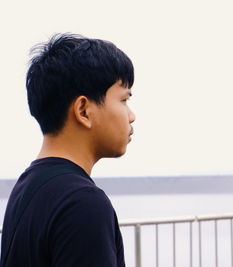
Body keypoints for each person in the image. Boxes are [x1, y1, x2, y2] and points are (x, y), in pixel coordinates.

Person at [0, 33, 135, 267]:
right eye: (124, 100)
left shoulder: (27, 187)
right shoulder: (82, 203)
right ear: (83, 110)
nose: (132, 116)